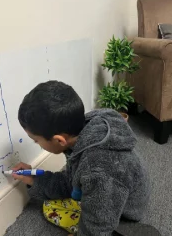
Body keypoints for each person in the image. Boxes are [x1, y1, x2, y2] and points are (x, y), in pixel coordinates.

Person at [12, 80, 150, 236]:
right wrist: (33, 179)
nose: (37, 144)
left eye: (36, 141)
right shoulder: (82, 134)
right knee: (50, 207)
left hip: (123, 213)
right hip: (106, 194)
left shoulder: (99, 170)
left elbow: (98, 225)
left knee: (75, 218)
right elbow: (71, 181)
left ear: (59, 140)